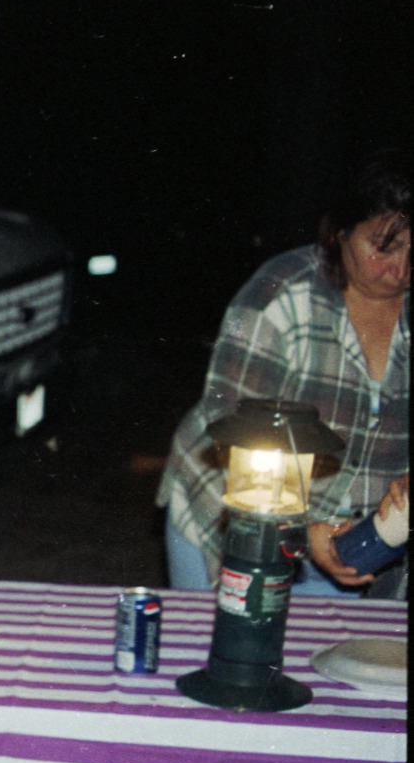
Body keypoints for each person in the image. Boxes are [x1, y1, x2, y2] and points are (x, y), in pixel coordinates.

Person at [159, 147, 410, 599]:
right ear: (340, 231)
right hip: (236, 505)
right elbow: (227, 443)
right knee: (228, 648)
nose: (402, 270)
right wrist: (301, 529)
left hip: (363, 542)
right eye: (385, 247)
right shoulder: (279, 297)